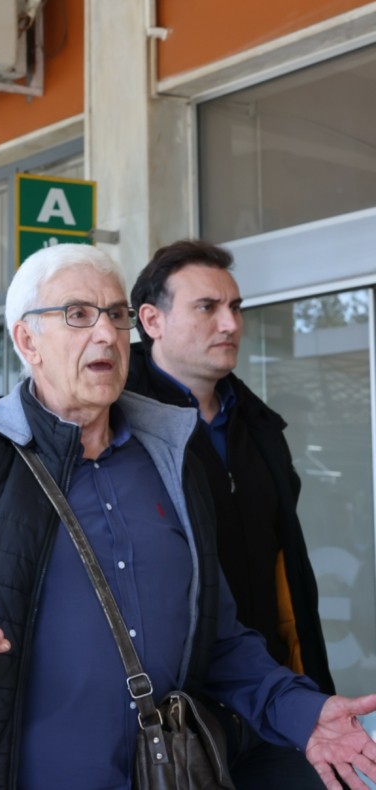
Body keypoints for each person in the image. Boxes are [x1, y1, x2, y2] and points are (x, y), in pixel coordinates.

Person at [0, 244, 376, 789]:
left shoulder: (171, 460)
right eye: (77, 314)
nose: (106, 334)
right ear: (27, 341)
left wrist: (303, 714)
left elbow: (218, 637)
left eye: (116, 315)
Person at [127, 238, 335, 787]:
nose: (230, 324)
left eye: (235, 307)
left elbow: (287, 574)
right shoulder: (118, 432)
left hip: (273, 701)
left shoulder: (261, 429)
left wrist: (308, 688)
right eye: (207, 307)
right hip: (173, 720)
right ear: (152, 320)